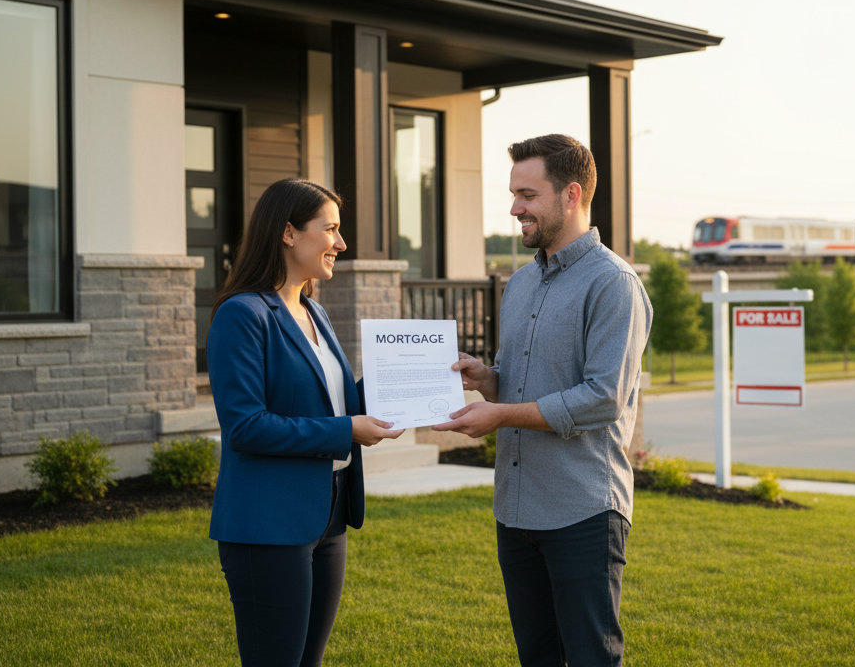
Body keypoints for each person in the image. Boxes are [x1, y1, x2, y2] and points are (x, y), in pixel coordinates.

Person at [436, 134, 652, 666]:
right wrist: (488, 378)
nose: (515, 209)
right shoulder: (521, 283)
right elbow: (524, 378)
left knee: (589, 658)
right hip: (515, 507)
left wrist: (500, 414)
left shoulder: (614, 283)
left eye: (527, 195)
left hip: (582, 509)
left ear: (571, 195)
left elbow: (603, 397)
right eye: (514, 195)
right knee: (537, 656)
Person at [206, 178, 404, 667]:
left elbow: (330, 401)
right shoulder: (242, 315)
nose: (341, 243)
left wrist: (406, 380)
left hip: (328, 514)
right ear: (289, 233)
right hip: (268, 524)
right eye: (331, 229)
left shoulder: (314, 309)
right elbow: (246, 427)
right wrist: (347, 432)